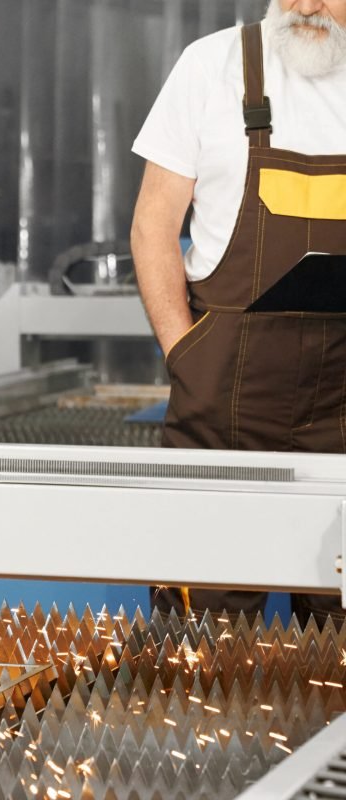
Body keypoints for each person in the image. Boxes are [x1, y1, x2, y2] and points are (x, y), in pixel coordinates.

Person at [131, 0, 346, 627]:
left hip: (344, 413)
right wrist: (184, 352)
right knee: (205, 642)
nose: (307, 5)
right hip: (223, 406)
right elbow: (153, 226)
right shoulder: (211, 67)